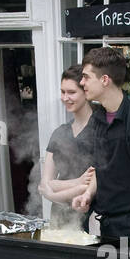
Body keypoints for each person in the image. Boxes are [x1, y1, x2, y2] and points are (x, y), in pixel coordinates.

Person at [71, 46, 130, 249]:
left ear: (104, 80)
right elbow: (99, 167)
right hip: (98, 224)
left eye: (86, 77)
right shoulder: (97, 117)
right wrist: (88, 194)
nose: (82, 83)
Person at [40, 65, 97, 228]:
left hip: (89, 216)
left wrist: (54, 189)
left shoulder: (100, 130)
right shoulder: (59, 132)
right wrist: (77, 182)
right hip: (59, 217)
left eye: (71, 92)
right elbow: (44, 185)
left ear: (86, 92)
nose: (65, 98)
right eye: (62, 92)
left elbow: (91, 185)